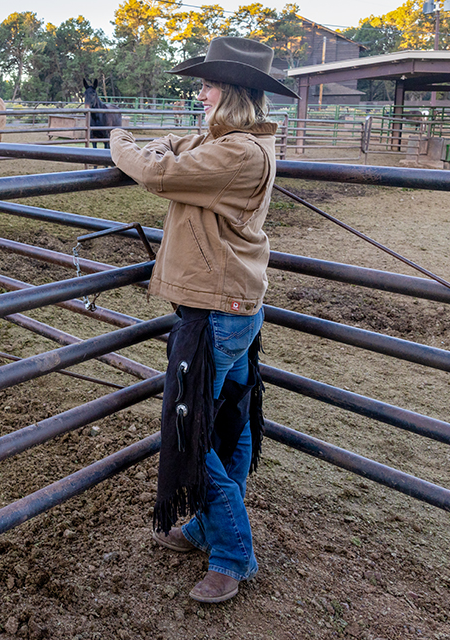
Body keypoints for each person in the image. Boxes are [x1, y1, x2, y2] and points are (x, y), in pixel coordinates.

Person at [109, 37, 299, 604]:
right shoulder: (230, 143)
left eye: (208, 85)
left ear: (232, 93)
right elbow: (173, 146)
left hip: (215, 311)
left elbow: (157, 173)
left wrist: (118, 138)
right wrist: (160, 145)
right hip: (232, 305)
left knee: (190, 429)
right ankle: (204, 528)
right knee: (228, 424)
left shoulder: (236, 155)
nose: (200, 92)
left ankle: (233, 551)